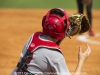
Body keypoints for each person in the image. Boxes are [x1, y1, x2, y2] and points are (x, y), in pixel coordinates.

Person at [11, 8, 91, 75]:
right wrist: (81, 60)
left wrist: (62, 32)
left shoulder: (34, 37)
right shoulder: (55, 55)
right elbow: (50, 53)